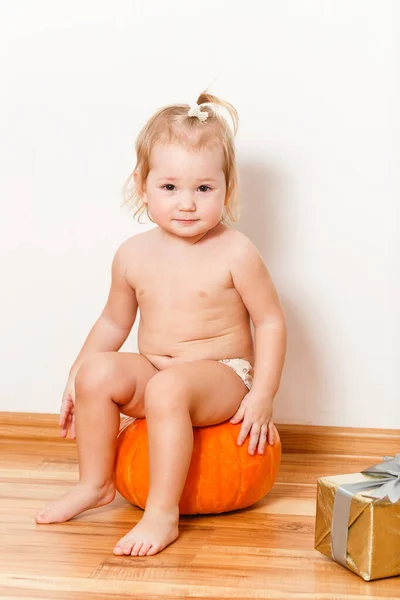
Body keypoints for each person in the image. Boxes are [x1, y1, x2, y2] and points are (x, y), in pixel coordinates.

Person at [35, 92, 287, 557]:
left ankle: (161, 514)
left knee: (168, 388)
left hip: (222, 374)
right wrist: (76, 373)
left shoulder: (236, 252)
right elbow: (113, 322)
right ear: (142, 185)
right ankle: (95, 483)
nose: (187, 204)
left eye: (204, 189)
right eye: (170, 187)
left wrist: (263, 394)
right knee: (98, 372)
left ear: (227, 189)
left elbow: (270, 322)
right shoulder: (133, 255)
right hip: (156, 370)